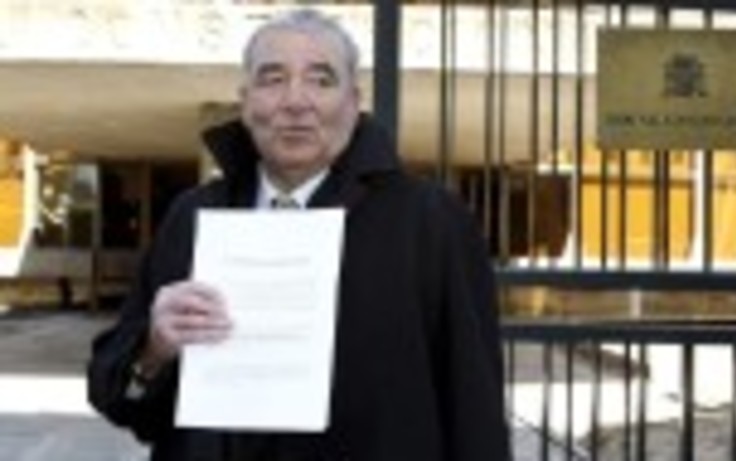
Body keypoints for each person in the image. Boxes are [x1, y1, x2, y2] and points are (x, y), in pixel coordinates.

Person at [88, 8, 509, 461]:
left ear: (354, 101)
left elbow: (475, 406)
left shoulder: (430, 221)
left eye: (321, 80)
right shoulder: (194, 215)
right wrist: (153, 351)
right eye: (273, 79)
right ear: (246, 101)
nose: (295, 101)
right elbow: (121, 399)